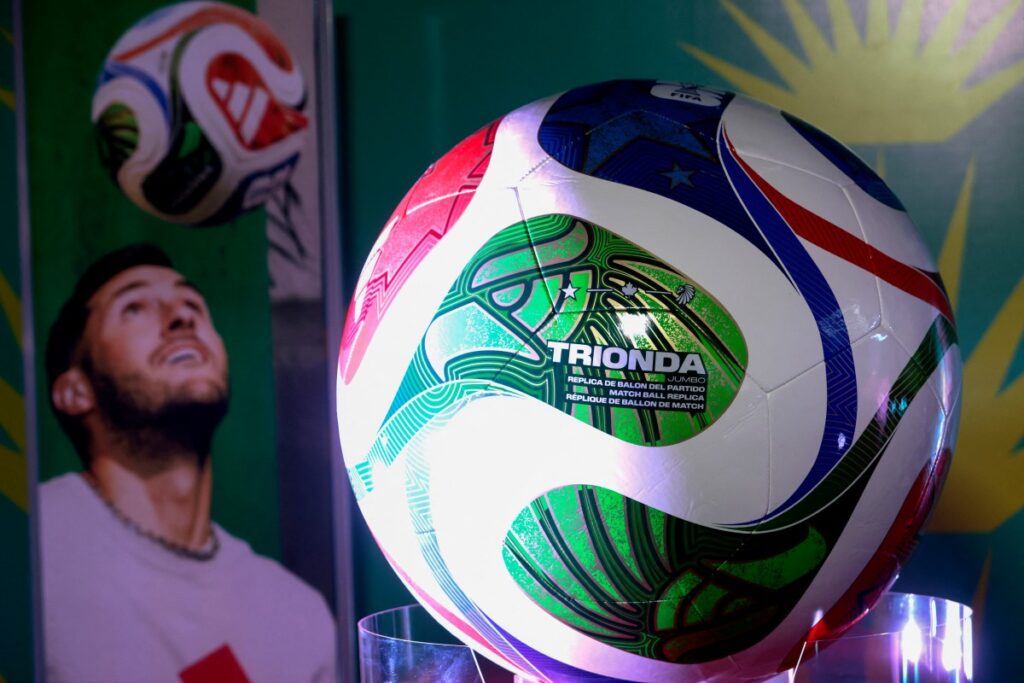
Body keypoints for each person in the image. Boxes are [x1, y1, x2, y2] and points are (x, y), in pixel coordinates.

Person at [40, 244, 337, 682]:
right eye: (135, 308)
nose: (182, 317)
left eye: (191, 302)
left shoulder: (297, 615)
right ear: (75, 391)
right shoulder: (25, 546)